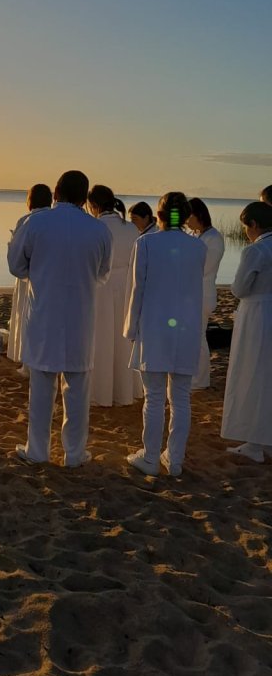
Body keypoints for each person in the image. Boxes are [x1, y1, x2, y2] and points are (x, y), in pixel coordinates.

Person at [8, 170, 112, 467]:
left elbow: (16, 265)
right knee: (77, 390)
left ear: (56, 192)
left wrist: (37, 273)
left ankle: (37, 450)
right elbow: (102, 273)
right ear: (84, 198)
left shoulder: (35, 223)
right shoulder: (99, 230)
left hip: (44, 313)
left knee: (41, 388)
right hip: (80, 315)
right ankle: (74, 454)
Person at [124, 191, 206, 477]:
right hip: (187, 327)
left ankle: (150, 456)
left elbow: (138, 288)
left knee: (155, 397)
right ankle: (175, 458)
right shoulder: (198, 247)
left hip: (155, 326)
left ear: (159, 215)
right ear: (185, 216)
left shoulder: (146, 243)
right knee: (181, 397)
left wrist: (130, 328)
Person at [221, 202, 272, 462]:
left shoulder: (256, 250)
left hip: (257, 314)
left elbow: (239, 288)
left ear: (254, 224)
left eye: (245, 227)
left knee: (252, 371)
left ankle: (254, 441)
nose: (245, 232)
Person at [88, 184, 141, 406]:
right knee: (122, 339)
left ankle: (99, 392)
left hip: (100, 284)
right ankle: (123, 390)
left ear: (93, 205)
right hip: (126, 285)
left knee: (100, 337)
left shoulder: (94, 227)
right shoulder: (131, 228)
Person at [6, 183, 52, 368]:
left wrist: (28, 274)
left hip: (30, 276)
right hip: (49, 277)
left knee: (27, 316)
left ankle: (27, 358)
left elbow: (17, 257)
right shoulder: (53, 220)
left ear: (30, 201)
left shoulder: (26, 221)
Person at [187, 197, 226, 390]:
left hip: (203, 294)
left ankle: (200, 380)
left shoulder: (214, 238)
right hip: (192, 293)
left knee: (198, 337)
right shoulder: (195, 234)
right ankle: (193, 376)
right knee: (192, 336)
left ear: (198, 215)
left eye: (189, 216)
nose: (186, 221)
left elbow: (204, 268)